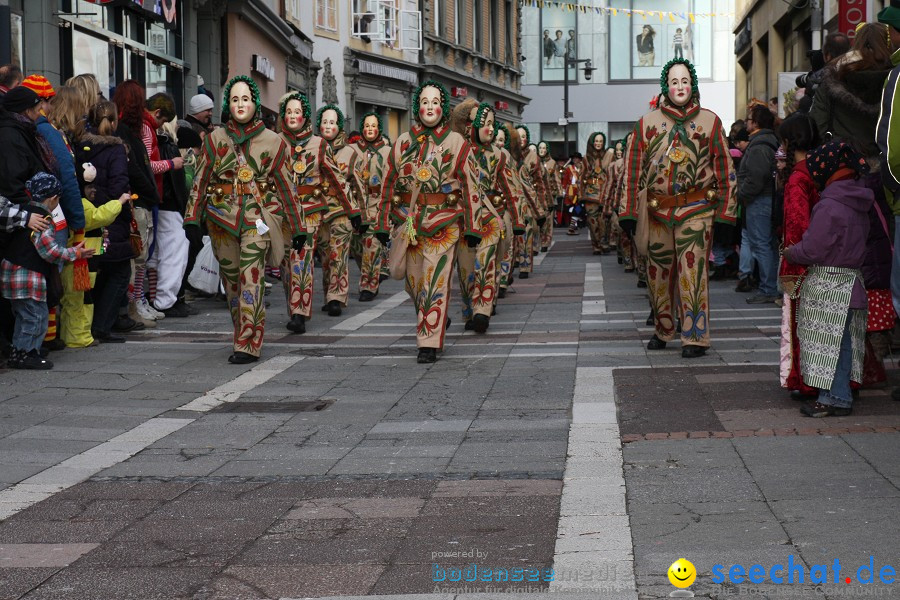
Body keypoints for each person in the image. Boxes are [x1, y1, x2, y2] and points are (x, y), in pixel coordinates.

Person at [619, 58, 737, 358]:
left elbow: (726, 170)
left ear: (693, 84)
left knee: (692, 273)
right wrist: (629, 212)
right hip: (658, 212)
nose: (680, 87)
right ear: (665, 86)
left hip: (698, 210)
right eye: (674, 82)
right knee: (657, 275)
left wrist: (726, 214)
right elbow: (632, 172)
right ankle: (663, 329)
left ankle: (695, 337)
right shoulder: (646, 124)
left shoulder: (711, 122)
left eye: (685, 81)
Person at [184, 75, 305, 364]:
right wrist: (192, 218)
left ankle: (248, 343)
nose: (241, 104)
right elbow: (201, 181)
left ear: (255, 104)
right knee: (233, 286)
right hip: (221, 221)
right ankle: (242, 329)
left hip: (257, 220)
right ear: (228, 104)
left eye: (246, 99)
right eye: (235, 99)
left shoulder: (274, 141)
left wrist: (298, 226)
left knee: (252, 279)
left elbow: (287, 186)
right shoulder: (215, 139)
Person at [373, 80, 482, 363]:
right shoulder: (404, 142)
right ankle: (435, 315)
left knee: (435, 279)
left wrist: (472, 226)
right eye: (424, 102)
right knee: (414, 284)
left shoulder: (457, 142)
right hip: (409, 223)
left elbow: (471, 184)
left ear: (442, 107)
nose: (429, 107)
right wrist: (383, 224)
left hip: (444, 223)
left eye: (435, 102)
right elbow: (389, 184)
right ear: (417, 106)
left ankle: (428, 342)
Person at [784, 142, 871, 417]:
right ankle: (842, 397)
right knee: (843, 343)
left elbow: (813, 248)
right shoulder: (859, 202)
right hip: (852, 282)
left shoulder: (830, 205)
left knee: (824, 346)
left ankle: (827, 399)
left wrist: (790, 252)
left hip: (826, 285)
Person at [1, 173, 94, 369]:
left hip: (12, 272)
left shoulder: (24, 212)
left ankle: (19, 351)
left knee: (23, 316)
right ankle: (27, 353)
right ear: (53, 199)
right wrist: (75, 253)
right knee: (36, 317)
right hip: (27, 276)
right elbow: (50, 251)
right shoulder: (43, 219)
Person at [275, 91, 339, 333]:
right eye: (289, 112)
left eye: (297, 112)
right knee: (285, 264)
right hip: (281, 213)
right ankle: (294, 307)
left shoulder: (319, 144)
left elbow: (336, 178)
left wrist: (353, 211)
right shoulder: (275, 141)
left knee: (302, 260)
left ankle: (300, 313)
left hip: (309, 210)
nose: (293, 116)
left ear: (305, 116)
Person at [77, 101, 138, 343]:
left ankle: (93, 324)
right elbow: (119, 185)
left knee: (98, 270)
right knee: (120, 271)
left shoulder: (80, 145)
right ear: (113, 122)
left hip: (88, 219)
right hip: (112, 220)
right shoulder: (116, 150)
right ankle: (101, 326)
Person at [776, 113, 821, 398]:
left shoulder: (798, 177)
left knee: (801, 324)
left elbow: (796, 226)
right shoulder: (821, 169)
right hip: (831, 258)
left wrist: (790, 260)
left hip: (803, 260)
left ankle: (805, 380)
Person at [810, 23, 892, 161]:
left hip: (841, 164)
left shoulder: (833, 77)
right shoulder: (894, 79)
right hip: (887, 166)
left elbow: (817, 124)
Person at [149, 94, 193, 319]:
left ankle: (161, 298)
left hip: (161, 206)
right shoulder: (168, 146)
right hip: (170, 207)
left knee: (159, 255)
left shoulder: (159, 142)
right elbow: (176, 185)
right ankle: (165, 300)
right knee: (173, 255)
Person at [320, 104, 362, 317]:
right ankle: (328, 292)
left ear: (340, 126)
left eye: (333, 122)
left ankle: (337, 296)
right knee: (326, 257)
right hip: (318, 211)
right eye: (325, 122)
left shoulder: (350, 152)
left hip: (343, 210)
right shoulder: (312, 148)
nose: (328, 126)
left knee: (339, 254)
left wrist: (361, 214)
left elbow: (358, 184)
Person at [738, 104, 780, 303]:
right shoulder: (765, 142)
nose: (746, 122)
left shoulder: (759, 145)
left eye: (749, 119)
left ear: (755, 123)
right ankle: (769, 286)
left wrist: (743, 193)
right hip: (764, 199)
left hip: (758, 200)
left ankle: (768, 289)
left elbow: (757, 176)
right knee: (767, 244)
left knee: (761, 244)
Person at [350, 112, 391, 302]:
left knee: (371, 245)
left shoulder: (387, 151)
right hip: (356, 205)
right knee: (358, 248)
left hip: (376, 204)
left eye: (373, 125)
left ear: (379, 128)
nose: (370, 129)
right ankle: (371, 271)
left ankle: (369, 285)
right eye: (366, 125)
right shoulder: (352, 150)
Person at [0, 87, 52, 204]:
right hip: (24, 215)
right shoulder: (10, 137)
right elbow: (12, 184)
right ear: (27, 111)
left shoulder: (24, 131)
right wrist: (31, 210)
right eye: (38, 110)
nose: (40, 114)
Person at [582, 132, 611, 252]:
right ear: (592, 142)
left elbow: (611, 174)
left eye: (601, 141)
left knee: (604, 221)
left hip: (605, 194)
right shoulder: (586, 158)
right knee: (592, 222)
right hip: (590, 195)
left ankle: (604, 242)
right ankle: (595, 244)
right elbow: (582, 177)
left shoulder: (608, 156)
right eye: (596, 141)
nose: (598, 143)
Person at [536, 141, 559, 252]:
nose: (542, 150)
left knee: (548, 220)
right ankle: (538, 242)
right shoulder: (534, 161)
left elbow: (557, 179)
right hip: (538, 195)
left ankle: (546, 242)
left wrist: (559, 194)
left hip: (550, 195)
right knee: (539, 219)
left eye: (544, 148)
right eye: (540, 147)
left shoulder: (552, 163)